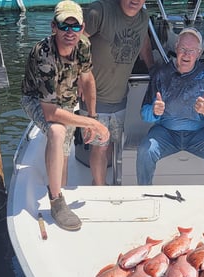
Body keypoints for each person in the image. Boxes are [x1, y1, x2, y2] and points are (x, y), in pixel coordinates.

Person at [21, 0, 109, 231]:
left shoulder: (83, 45)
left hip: (67, 95)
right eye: (64, 26)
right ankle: (56, 200)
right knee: (57, 131)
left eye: (75, 27)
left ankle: (61, 186)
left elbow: (87, 79)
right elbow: (50, 113)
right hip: (37, 99)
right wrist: (89, 123)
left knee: (66, 150)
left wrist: (93, 116)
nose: (70, 32)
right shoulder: (43, 54)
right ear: (53, 27)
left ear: (82, 28)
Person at [136, 28, 204, 186]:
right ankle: (144, 193)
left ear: (199, 53)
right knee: (145, 150)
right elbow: (144, 114)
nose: (187, 54)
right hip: (165, 132)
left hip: (200, 133)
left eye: (192, 50)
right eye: (183, 49)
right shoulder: (160, 74)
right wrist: (154, 111)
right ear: (176, 48)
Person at [80, 0, 154, 185]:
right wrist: (79, 75)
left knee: (112, 143)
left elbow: (144, 42)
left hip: (120, 96)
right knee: (100, 147)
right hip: (94, 98)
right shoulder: (100, 11)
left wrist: (154, 70)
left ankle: (106, 181)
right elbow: (76, 39)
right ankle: (99, 187)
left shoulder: (144, 18)